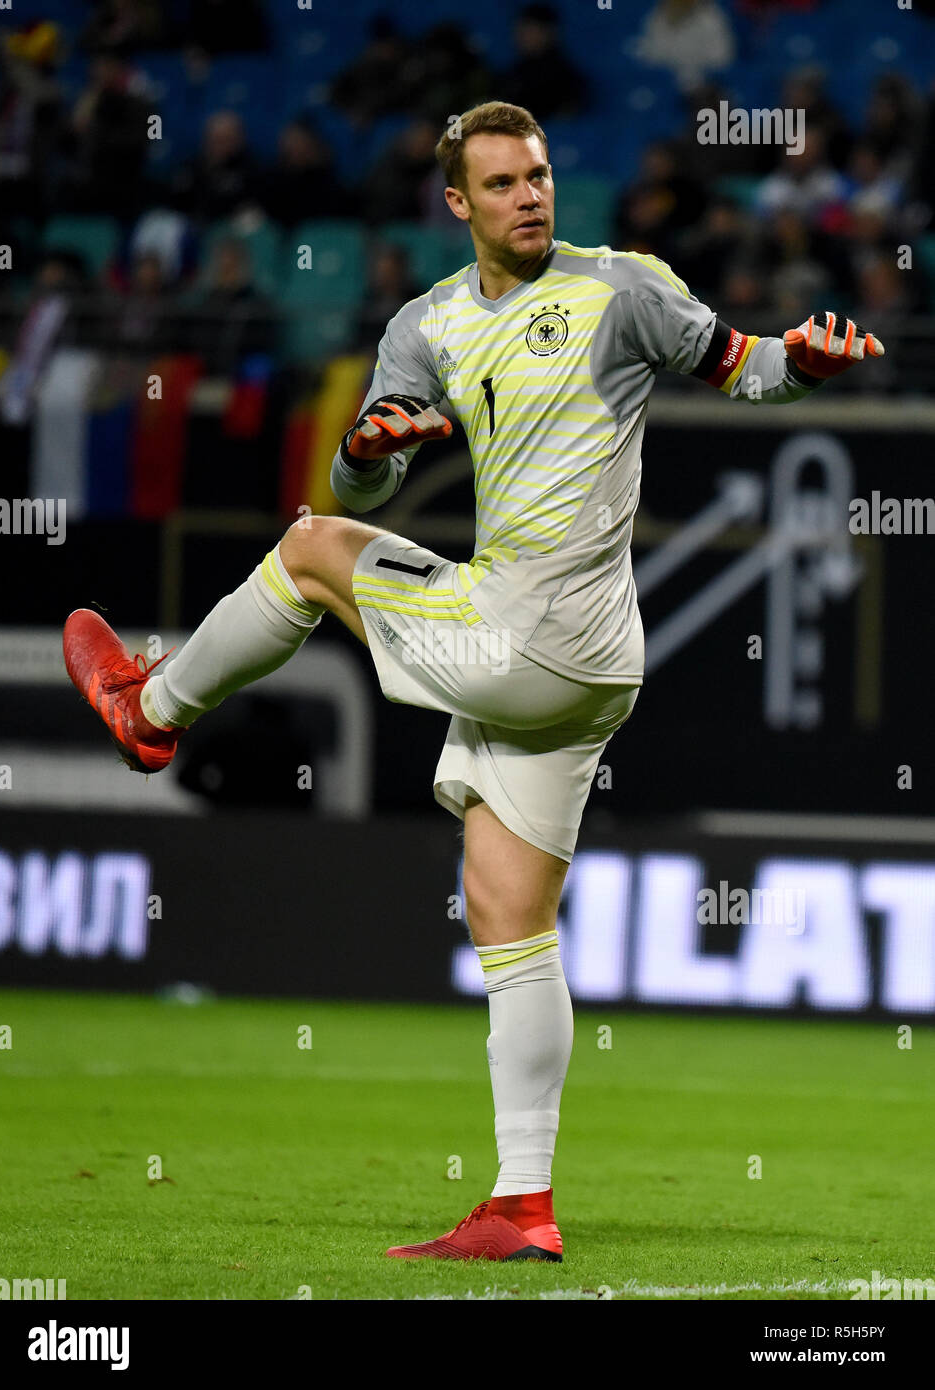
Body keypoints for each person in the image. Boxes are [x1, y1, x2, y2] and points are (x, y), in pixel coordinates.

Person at [63, 100, 885, 1263]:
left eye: (539, 175)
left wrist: (797, 362)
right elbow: (364, 486)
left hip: (534, 642)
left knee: (304, 553)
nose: (530, 196)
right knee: (509, 915)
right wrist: (369, 450)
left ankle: (150, 712)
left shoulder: (623, 288)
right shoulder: (427, 325)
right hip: (587, 667)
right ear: (459, 203)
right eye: (501, 184)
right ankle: (521, 1202)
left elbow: (746, 370)